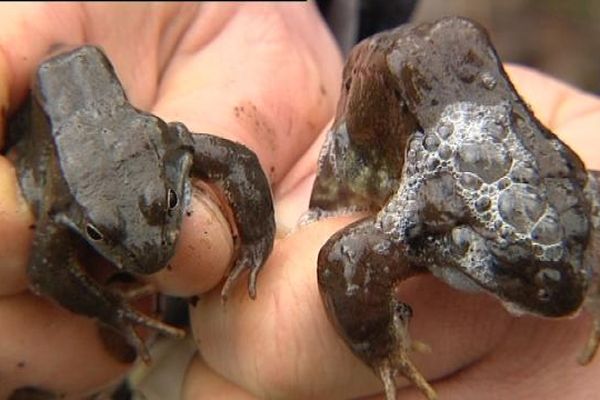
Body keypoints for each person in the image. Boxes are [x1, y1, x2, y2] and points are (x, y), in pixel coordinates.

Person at [0, 3, 598, 399]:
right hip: (385, 102)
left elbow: (234, 160)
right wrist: (381, 344)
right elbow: (345, 261)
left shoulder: (557, 197)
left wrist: (256, 238)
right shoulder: (432, 215)